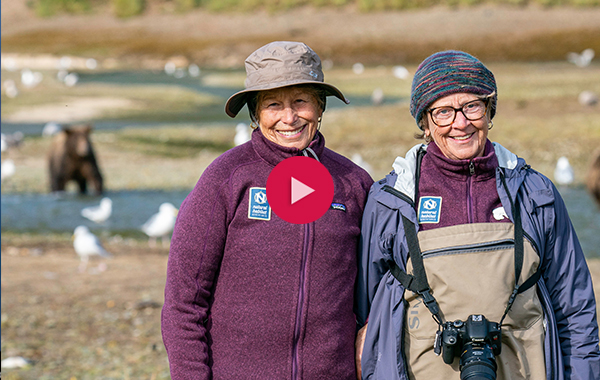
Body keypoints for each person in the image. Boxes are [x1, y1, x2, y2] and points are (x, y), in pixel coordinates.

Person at [355, 50, 600, 380]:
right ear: (424, 123)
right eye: (443, 111)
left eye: (472, 106)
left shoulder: (535, 193)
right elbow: (369, 315)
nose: (460, 123)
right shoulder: (392, 202)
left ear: (489, 111)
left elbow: (575, 309)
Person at [161, 41, 373, 380]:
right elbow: (183, 305)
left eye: (301, 101)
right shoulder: (225, 180)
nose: (289, 118)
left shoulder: (354, 184)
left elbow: (377, 297)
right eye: (273, 104)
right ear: (255, 113)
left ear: (320, 107)